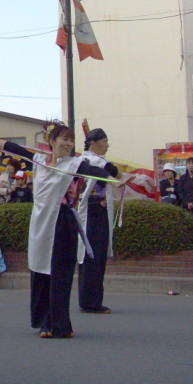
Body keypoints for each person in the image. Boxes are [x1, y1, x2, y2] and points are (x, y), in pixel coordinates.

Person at [0, 120, 121, 339]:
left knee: (58, 273)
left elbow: (93, 171)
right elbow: (15, 149)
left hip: (62, 222)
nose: (68, 143)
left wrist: (113, 180)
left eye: (71, 140)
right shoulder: (39, 160)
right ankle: (43, 321)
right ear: (52, 141)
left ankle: (59, 324)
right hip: (40, 223)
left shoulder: (73, 164)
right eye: (64, 138)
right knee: (40, 271)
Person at [77, 128, 120, 314]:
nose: (107, 145)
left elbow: (115, 172)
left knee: (96, 256)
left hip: (97, 212)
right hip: (92, 212)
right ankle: (90, 301)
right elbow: (114, 172)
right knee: (92, 256)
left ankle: (91, 299)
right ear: (94, 143)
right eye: (105, 141)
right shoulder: (89, 161)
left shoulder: (94, 161)